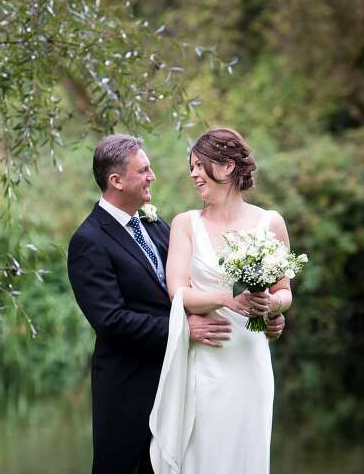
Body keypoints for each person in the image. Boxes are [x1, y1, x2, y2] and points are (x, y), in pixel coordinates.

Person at [67, 134, 286, 474]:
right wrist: (182, 327)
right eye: (143, 171)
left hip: (186, 373)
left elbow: (189, 281)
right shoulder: (89, 240)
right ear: (116, 181)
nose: (152, 176)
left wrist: (270, 310)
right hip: (130, 385)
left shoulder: (155, 225)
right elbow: (111, 320)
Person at [150, 128, 293, 474]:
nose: (194, 174)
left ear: (227, 167)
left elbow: (285, 292)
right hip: (207, 363)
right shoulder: (186, 224)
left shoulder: (269, 222)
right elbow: (178, 292)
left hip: (249, 363)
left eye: (200, 166)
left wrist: (271, 307)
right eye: (192, 167)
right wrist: (226, 299)